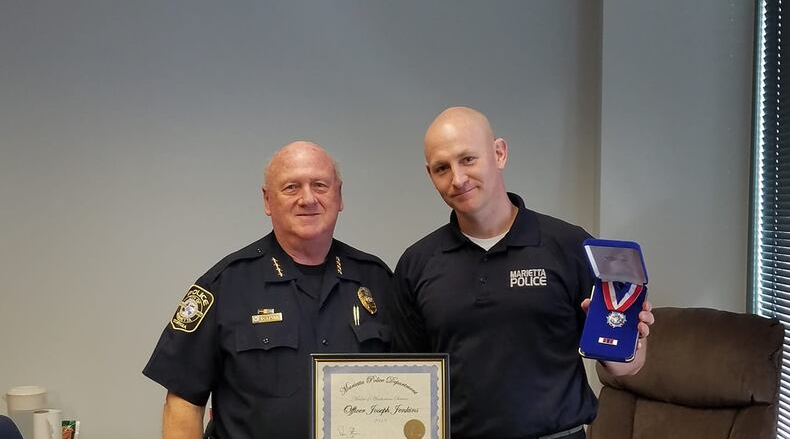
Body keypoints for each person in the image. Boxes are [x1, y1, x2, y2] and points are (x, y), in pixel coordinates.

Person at [389, 107, 655, 439]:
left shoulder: (570, 245)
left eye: (468, 159)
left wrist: (627, 346)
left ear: (499, 153)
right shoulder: (416, 264)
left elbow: (627, 365)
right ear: (431, 175)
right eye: (443, 168)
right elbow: (408, 379)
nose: (457, 179)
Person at [143, 141, 392, 439]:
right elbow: (183, 402)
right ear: (267, 200)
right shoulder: (226, 285)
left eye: (320, 185)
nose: (308, 198)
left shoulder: (377, 280)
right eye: (291, 187)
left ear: (339, 195)